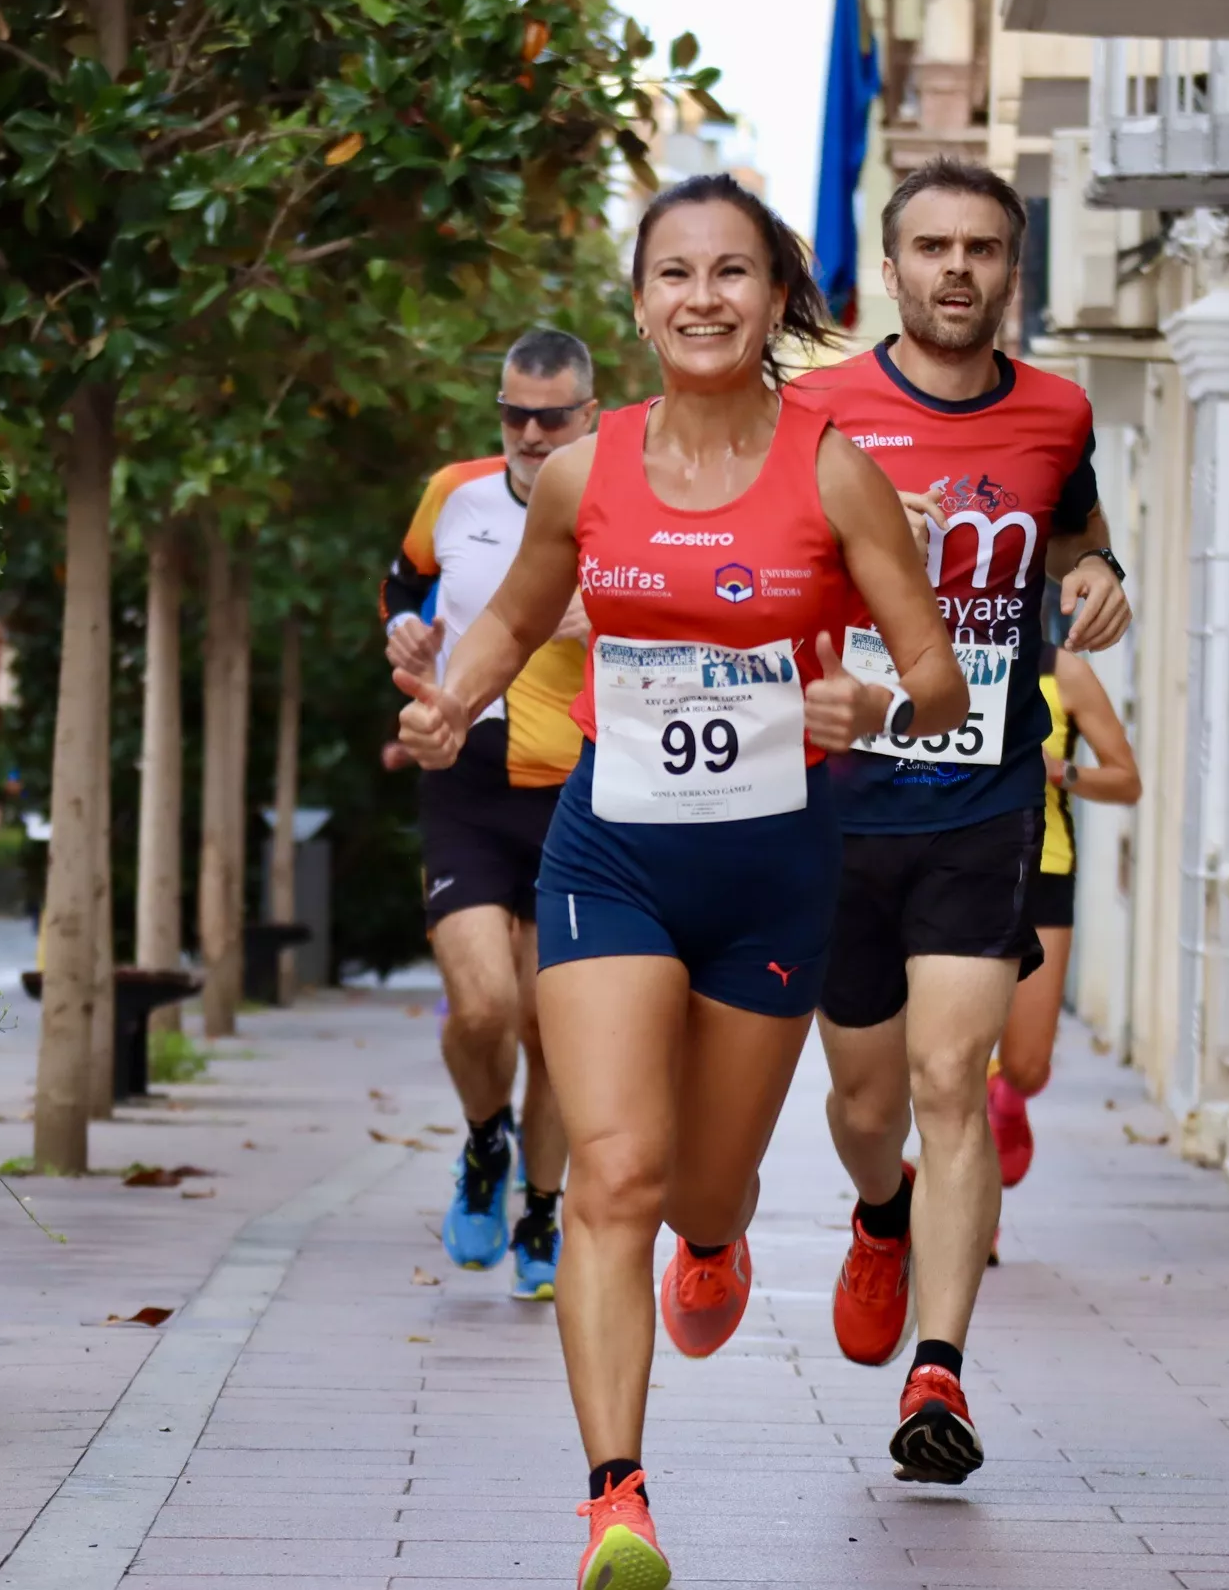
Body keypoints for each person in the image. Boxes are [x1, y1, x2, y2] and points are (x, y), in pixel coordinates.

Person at [395, 173, 967, 1590]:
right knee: (615, 1171)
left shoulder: (835, 469)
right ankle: (616, 1501)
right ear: (639, 300)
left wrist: (872, 707)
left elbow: (940, 674)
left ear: (777, 297)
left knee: (703, 1187)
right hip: (615, 850)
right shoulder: (594, 468)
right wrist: (449, 701)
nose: (701, 297)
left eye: (731, 272)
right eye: (673, 273)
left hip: (775, 869)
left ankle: (725, 1236)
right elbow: (522, 610)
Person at [791, 155, 1133, 1486]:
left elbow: (1074, 531)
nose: (956, 269)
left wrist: (1099, 573)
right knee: (865, 1097)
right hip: (838, 807)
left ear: (1011, 267)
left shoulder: (1056, 408)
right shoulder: (816, 409)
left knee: (953, 1082)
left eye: (981, 248)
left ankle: (940, 1371)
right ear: (891, 268)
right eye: (931, 246)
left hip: (986, 797)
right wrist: (861, 542)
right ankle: (879, 1213)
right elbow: (759, 564)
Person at [378, 328, 598, 1300]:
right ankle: (483, 1141)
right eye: (515, 413)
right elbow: (402, 577)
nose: (531, 432)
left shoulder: (621, 493)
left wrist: (613, 616)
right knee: (484, 1006)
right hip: (466, 772)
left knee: (552, 1026)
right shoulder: (455, 492)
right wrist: (405, 630)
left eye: (552, 416)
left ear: (588, 413)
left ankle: (543, 1205)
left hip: (579, 783)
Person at [988, 642, 1141, 1186]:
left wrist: (1062, 772)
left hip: (1043, 869)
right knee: (951, 1067)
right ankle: (969, 1209)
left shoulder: (1064, 674)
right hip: (953, 870)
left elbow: (1127, 779)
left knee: (1027, 1066)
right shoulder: (928, 653)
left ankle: (1005, 1101)